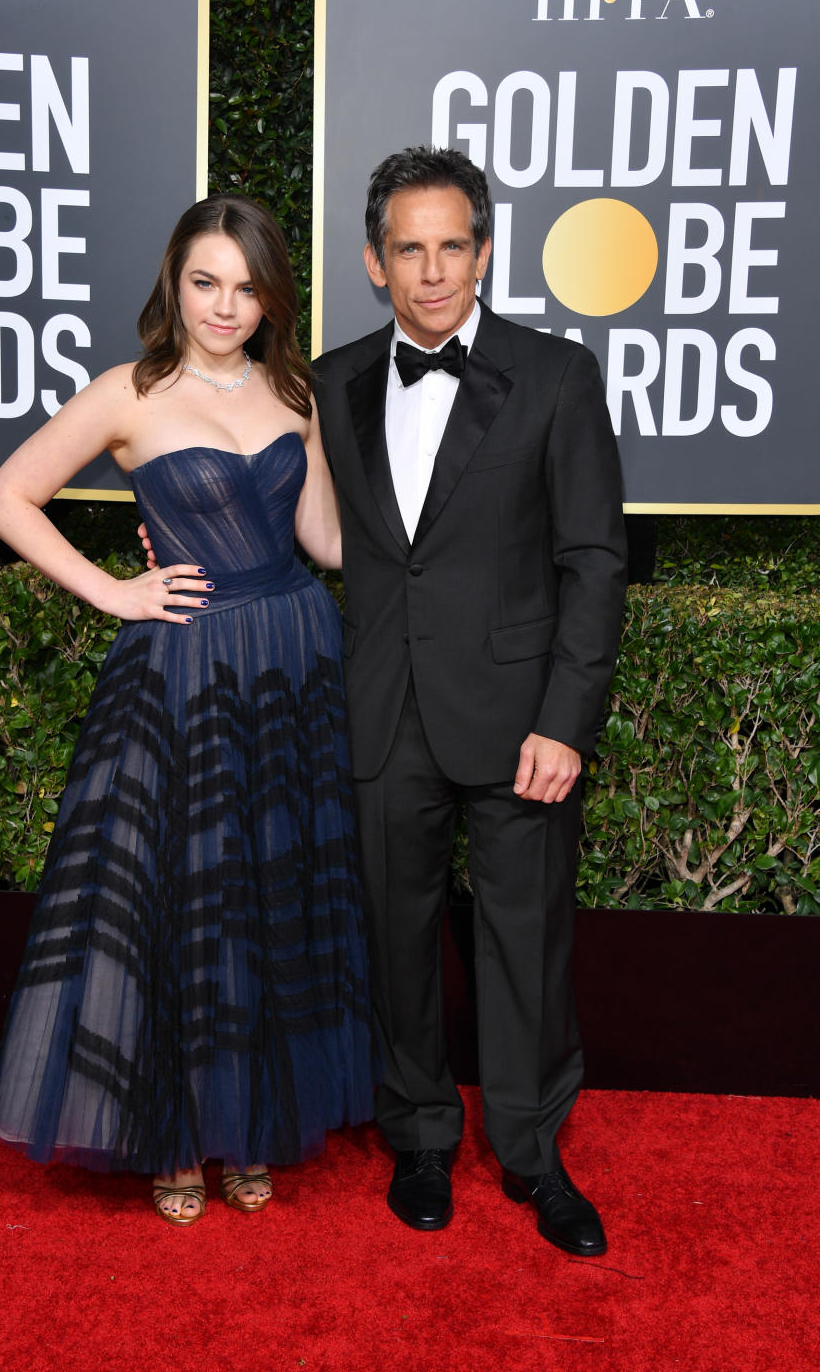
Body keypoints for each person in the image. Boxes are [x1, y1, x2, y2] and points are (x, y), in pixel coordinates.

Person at [0, 194, 374, 1226]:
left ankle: (251, 1125)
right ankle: (177, 1132)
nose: (225, 306)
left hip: (293, 654)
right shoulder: (130, 393)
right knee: (183, 896)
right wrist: (114, 590)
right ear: (175, 282)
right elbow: (6, 496)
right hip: (187, 667)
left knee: (268, 891)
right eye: (206, 282)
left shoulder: (296, 389)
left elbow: (325, 540)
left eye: (246, 287)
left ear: (271, 294)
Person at [312, 147, 627, 1252]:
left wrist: (566, 721)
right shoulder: (334, 378)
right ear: (374, 261)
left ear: (484, 253)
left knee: (525, 943)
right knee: (396, 941)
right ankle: (422, 1140)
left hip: (518, 724)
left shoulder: (554, 375)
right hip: (384, 711)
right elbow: (307, 523)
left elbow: (594, 560)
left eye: (454, 246)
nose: (434, 270)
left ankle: (537, 1159)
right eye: (411, 249)